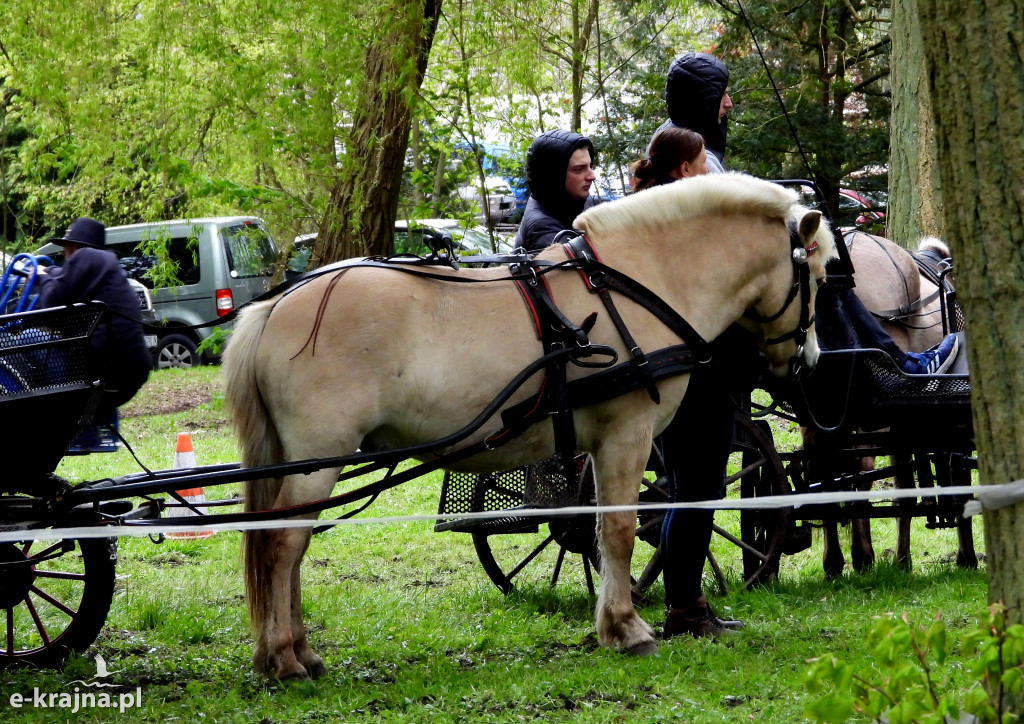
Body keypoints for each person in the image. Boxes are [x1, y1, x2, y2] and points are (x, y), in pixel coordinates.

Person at [36, 217, 150, 410]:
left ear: (72, 248)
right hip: (130, 372)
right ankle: (88, 438)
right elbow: (63, 276)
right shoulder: (106, 267)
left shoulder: (85, 257)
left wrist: (41, 278)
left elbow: (50, 304)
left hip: (100, 372)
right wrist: (49, 271)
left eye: (65, 250)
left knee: (31, 341)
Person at [515, 129, 598, 252]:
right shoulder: (543, 228)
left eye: (590, 166)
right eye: (579, 169)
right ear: (553, 177)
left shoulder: (574, 202)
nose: (592, 176)